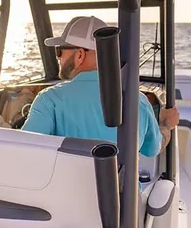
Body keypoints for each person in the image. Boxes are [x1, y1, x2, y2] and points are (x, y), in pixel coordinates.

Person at [22, 16, 179, 156]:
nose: (58, 58)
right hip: (121, 190)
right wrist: (166, 125)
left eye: (60, 51)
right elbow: (152, 149)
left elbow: (24, 150)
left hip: (63, 189)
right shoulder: (139, 101)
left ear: (79, 55)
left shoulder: (49, 100)